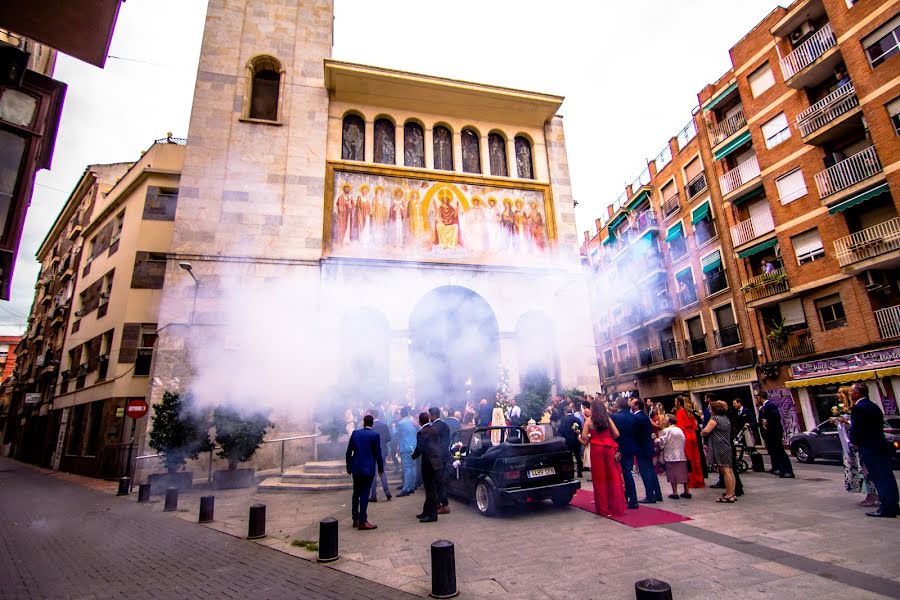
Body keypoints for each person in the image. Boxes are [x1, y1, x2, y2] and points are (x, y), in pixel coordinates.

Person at [849, 382, 899, 518]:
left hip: (868, 447)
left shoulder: (858, 408)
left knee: (879, 478)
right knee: (887, 476)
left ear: (858, 393)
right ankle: (893, 504)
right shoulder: (874, 406)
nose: (849, 394)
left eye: (851, 391)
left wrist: (855, 442)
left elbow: (855, 430)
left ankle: (887, 508)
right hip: (879, 445)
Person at [580, 400, 626, 517]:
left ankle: (603, 508)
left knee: (600, 478)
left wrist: (591, 438)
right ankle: (615, 507)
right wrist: (608, 438)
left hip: (596, 449)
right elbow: (617, 434)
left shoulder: (589, 421)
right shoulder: (607, 419)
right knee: (613, 477)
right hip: (609, 448)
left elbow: (584, 437)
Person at [833, 386, 877, 505]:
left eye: (840, 393)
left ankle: (874, 494)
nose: (837, 395)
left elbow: (859, 426)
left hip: (858, 445)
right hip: (850, 446)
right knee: (861, 469)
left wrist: (846, 423)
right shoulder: (853, 408)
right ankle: (870, 493)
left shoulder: (857, 408)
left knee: (866, 469)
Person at [345, 415, 384, 530]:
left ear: (363, 423)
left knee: (355, 493)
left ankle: (355, 518)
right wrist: (380, 468)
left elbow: (348, 452)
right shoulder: (374, 435)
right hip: (368, 469)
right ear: (372, 424)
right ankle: (362, 520)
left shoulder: (355, 434)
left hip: (356, 468)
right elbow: (378, 453)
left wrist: (348, 466)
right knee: (364, 494)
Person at [701, 401, 736, 503]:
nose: (709, 410)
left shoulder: (714, 419)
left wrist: (701, 433)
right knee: (729, 470)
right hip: (726, 444)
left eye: (710, 409)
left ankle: (729, 495)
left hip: (719, 446)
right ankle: (732, 493)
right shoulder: (725, 419)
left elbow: (706, 431)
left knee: (725, 471)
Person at [631, 397, 663, 504]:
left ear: (636, 406)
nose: (630, 404)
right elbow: (650, 432)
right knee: (651, 471)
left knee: (645, 472)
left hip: (641, 448)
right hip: (647, 446)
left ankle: (650, 495)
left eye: (632, 403)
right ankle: (658, 494)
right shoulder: (644, 417)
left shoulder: (637, 418)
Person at [411, 412, 442, 523]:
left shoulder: (422, 432)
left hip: (428, 463)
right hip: (437, 462)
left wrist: (413, 456)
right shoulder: (434, 429)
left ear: (420, 421)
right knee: (431, 489)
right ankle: (426, 511)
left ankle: (432, 515)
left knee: (430, 490)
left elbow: (419, 448)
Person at [610, 397, 639, 509]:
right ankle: (630, 497)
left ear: (618, 405)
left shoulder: (615, 417)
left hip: (620, 448)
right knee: (628, 472)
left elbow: (614, 433)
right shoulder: (633, 417)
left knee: (624, 474)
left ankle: (631, 499)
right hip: (631, 447)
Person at [757, 391, 794, 478]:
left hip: (775, 433)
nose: (756, 400)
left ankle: (788, 471)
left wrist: (767, 421)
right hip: (770, 433)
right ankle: (781, 469)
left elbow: (777, 416)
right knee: (776, 452)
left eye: (757, 398)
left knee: (780, 451)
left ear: (760, 398)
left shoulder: (769, 405)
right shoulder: (765, 406)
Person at [674, 396, 705, 489]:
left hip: (686, 435)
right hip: (693, 434)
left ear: (678, 403)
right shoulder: (689, 412)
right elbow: (695, 426)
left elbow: (680, 427)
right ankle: (699, 480)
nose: (675, 403)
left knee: (689, 458)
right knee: (696, 458)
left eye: (675, 401)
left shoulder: (679, 412)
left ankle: (692, 481)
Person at [657, 414, 690, 499]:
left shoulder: (666, 430)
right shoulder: (679, 429)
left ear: (669, 421)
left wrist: (656, 441)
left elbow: (662, 442)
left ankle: (675, 492)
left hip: (670, 454)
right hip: (681, 454)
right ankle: (686, 490)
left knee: (672, 474)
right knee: (683, 473)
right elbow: (684, 439)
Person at [428, 407, 451, 515]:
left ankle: (444, 505)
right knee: (438, 481)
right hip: (444, 456)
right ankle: (438, 503)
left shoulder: (435, 427)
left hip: (438, 458)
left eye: (430, 415)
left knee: (438, 482)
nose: (429, 418)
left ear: (433, 415)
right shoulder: (445, 425)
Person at [366, 411, 392, 503]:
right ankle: (387, 491)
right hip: (382, 451)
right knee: (382, 472)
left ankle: (373, 495)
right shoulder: (384, 426)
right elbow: (389, 438)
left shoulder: (369, 427)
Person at [395, 407, 419, 497]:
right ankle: (412, 487)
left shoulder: (401, 423)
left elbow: (395, 433)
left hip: (405, 447)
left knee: (407, 468)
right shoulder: (414, 422)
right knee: (413, 467)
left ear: (401, 414)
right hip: (414, 446)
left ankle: (406, 489)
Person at [559, 406, 585, 478]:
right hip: (576, 440)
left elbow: (561, 430)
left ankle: (571, 473)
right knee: (578, 456)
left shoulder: (564, 419)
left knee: (569, 457)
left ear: (565, 411)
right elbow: (579, 429)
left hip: (567, 441)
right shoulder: (576, 419)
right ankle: (580, 472)